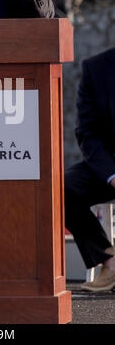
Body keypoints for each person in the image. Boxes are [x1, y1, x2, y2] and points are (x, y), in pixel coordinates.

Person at [65, 48, 115, 292]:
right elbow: (87, 133)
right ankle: (111, 263)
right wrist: (112, 175)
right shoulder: (95, 68)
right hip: (107, 165)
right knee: (63, 191)